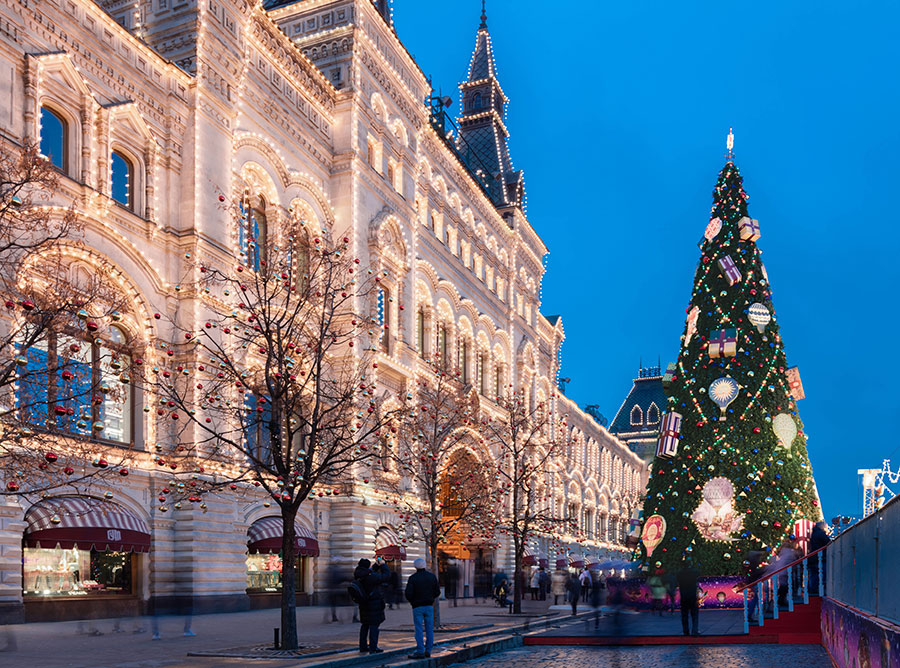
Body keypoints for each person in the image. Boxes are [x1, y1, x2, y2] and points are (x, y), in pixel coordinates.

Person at [405, 558, 440, 660]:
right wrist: (431, 598)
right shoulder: (432, 577)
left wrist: (412, 601)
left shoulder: (413, 578)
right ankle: (428, 650)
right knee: (430, 629)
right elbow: (437, 592)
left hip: (417, 606)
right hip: (429, 605)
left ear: (415, 566)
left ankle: (420, 650)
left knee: (419, 629)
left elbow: (408, 593)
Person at [353, 557, 390, 654]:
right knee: (374, 625)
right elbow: (385, 576)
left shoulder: (358, 574)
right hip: (373, 604)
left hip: (363, 603)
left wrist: (375, 566)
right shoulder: (370, 576)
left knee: (365, 625)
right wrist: (383, 565)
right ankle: (373, 647)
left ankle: (363, 646)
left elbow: (370, 572)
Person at [677, 560, 700, 636]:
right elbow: (698, 573)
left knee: (684, 615)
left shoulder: (680, 573)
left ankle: (685, 631)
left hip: (684, 595)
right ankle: (694, 630)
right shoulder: (694, 572)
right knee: (694, 615)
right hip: (692, 595)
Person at [808, 521, 831, 595]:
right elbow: (828, 542)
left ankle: (812, 588)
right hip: (819, 557)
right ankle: (817, 589)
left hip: (813, 558)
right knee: (821, 573)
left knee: (814, 574)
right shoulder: (820, 534)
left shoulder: (814, 534)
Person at [744, 551, 766, 624]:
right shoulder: (754, 565)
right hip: (753, 582)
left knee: (754, 599)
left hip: (752, 582)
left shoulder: (750, 564)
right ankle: (749, 615)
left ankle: (750, 615)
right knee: (754, 599)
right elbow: (755, 573)